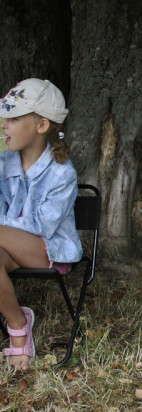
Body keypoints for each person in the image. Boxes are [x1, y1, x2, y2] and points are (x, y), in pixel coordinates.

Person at [0, 78, 81, 371]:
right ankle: (18, 322)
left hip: (49, 251)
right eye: (4, 117)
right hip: (10, 246)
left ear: (41, 125)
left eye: (13, 118)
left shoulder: (62, 172)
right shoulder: (3, 164)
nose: (4, 125)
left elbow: (43, 225)